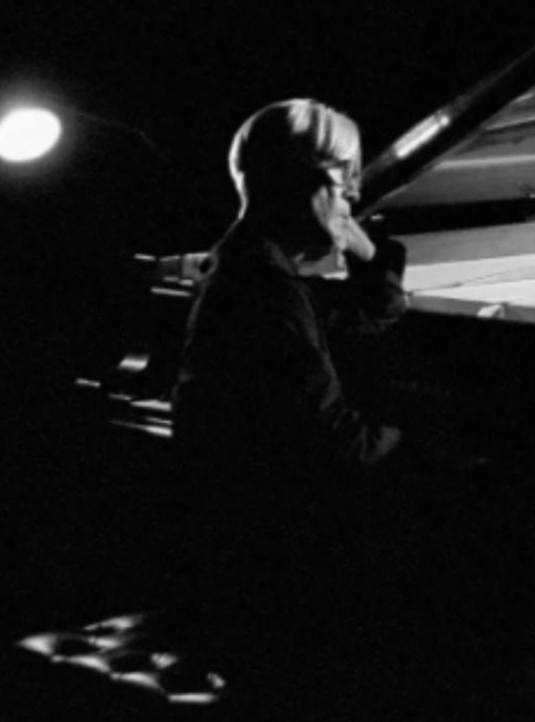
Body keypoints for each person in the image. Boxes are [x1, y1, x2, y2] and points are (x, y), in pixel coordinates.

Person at [170, 98, 408, 664]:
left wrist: (364, 249)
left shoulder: (249, 267)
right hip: (272, 565)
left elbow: (374, 314)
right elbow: (342, 447)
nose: (356, 193)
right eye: (345, 178)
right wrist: (425, 443)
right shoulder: (262, 291)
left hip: (260, 533)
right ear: (300, 182)